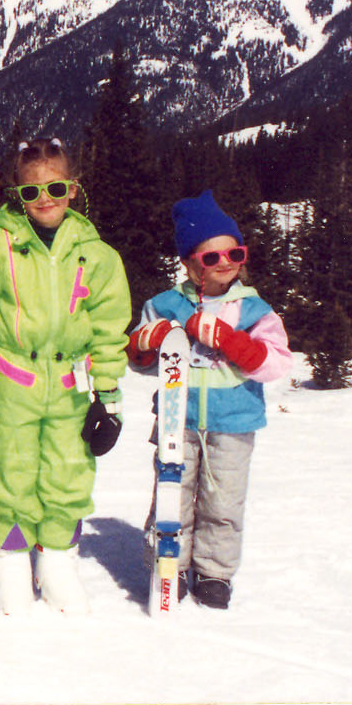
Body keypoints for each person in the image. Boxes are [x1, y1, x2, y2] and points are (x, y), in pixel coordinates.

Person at [0, 137, 129, 615]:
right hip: (11, 379)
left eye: (57, 188)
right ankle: (13, 559)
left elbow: (109, 331)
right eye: (31, 192)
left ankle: (58, 562)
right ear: (16, 194)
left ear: (74, 189)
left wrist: (108, 398)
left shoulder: (96, 255)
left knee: (69, 473)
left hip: (70, 385)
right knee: (13, 470)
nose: (45, 199)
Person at [125, 189, 292, 610]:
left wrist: (230, 341)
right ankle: (171, 565)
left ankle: (215, 572)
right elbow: (140, 360)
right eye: (212, 258)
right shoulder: (165, 304)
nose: (226, 265)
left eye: (234, 254)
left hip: (233, 422)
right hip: (176, 422)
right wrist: (148, 342)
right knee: (172, 493)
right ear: (188, 262)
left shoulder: (255, 310)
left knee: (223, 501)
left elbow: (275, 364)